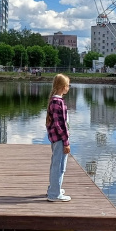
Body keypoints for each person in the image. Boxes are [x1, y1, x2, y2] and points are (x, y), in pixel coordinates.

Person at [45, 73, 71, 202]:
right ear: (63, 87)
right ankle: (54, 194)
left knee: (56, 164)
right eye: (68, 85)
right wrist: (66, 142)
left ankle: (54, 188)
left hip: (56, 139)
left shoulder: (54, 101)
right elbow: (60, 125)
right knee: (60, 166)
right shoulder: (58, 102)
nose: (69, 87)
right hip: (60, 140)